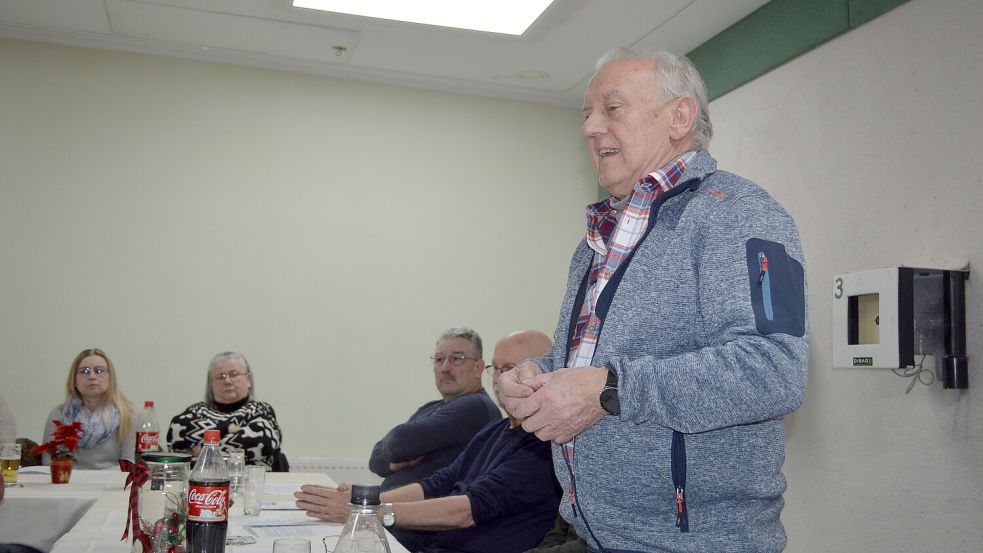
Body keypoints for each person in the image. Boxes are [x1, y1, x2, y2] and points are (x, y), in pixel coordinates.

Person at [500, 48, 809, 553]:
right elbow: (588, 365)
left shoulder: (741, 215)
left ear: (679, 117)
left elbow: (773, 372)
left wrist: (611, 388)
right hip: (593, 535)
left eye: (612, 109)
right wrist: (536, 376)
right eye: (586, 114)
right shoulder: (596, 241)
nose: (590, 128)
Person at [296, 330, 560, 553]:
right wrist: (363, 500)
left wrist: (365, 512)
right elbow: (437, 483)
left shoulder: (546, 443)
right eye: (498, 368)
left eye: (512, 369)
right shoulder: (495, 430)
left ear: (547, 371)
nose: (501, 379)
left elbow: (467, 511)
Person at [369, 327, 501, 491]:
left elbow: (398, 442)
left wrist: (397, 455)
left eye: (456, 358)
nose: (445, 367)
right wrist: (396, 460)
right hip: (396, 510)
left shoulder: (476, 407)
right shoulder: (429, 408)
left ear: (478, 368)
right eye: (439, 359)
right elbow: (375, 460)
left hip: (430, 513)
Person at [167, 351, 283, 468]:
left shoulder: (260, 410)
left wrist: (202, 451)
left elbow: (262, 443)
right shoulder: (197, 410)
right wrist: (226, 428)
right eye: (220, 376)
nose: (227, 381)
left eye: (234, 374)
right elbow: (177, 434)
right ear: (211, 383)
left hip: (252, 483)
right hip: (204, 483)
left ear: (248, 380)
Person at [40, 348, 136, 469]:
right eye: (84, 371)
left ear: (110, 378)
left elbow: (128, 464)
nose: (92, 376)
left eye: (99, 371)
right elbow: (49, 461)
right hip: (68, 484)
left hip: (111, 484)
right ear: (74, 379)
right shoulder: (59, 415)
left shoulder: (127, 416)